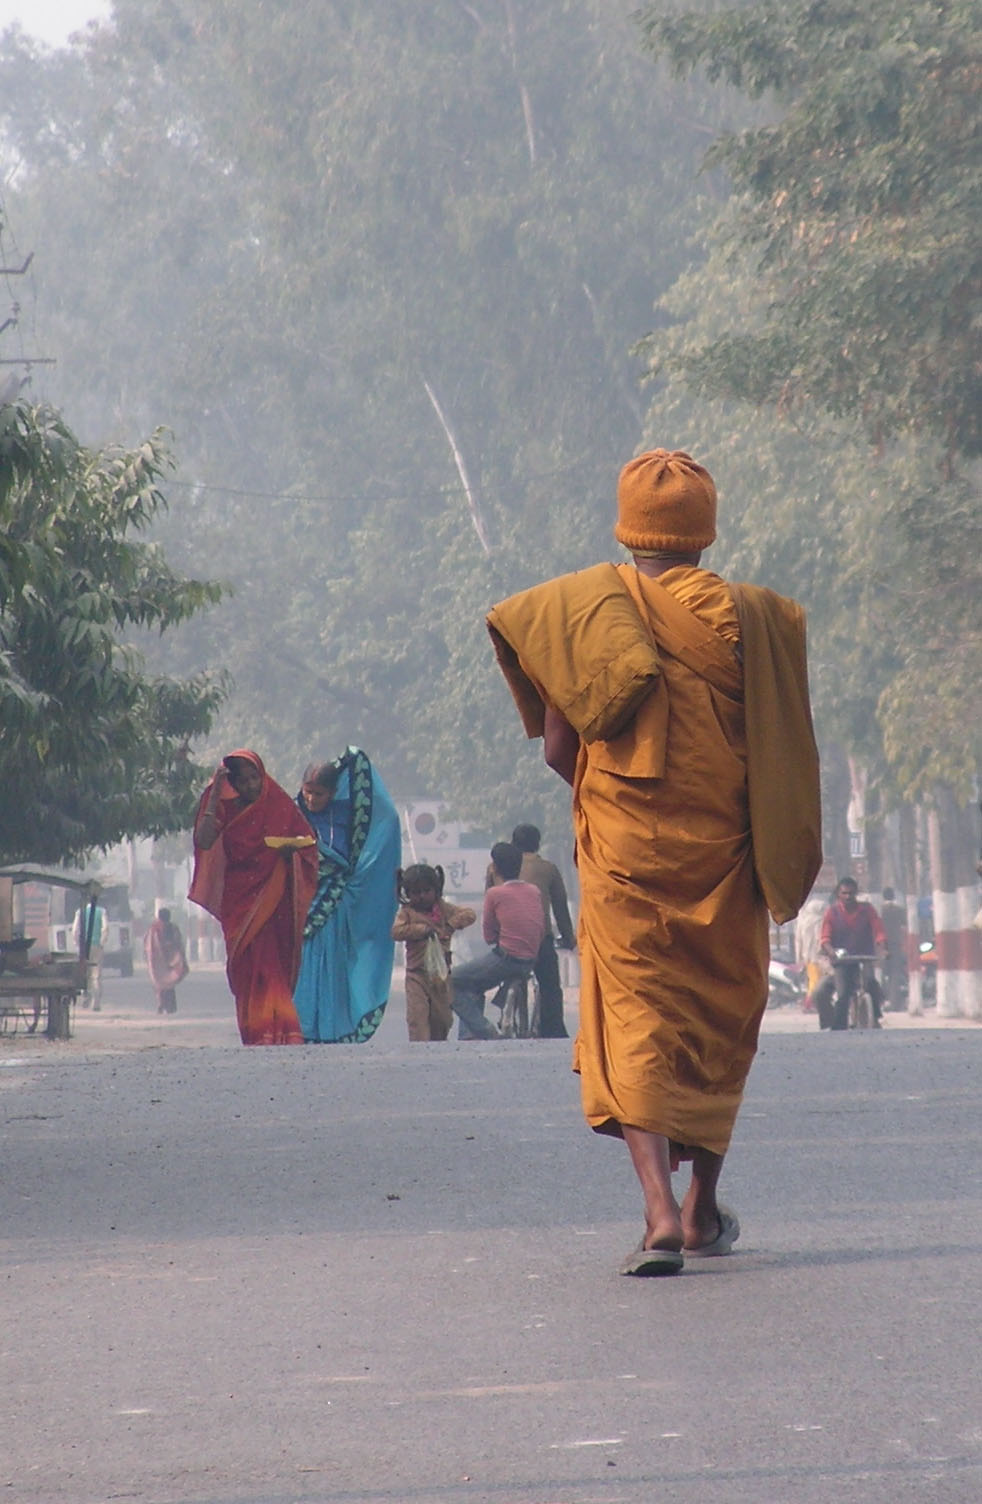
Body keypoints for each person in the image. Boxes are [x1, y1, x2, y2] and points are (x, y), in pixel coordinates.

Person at [487, 448, 821, 1275]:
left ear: (626, 529)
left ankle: (661, 1214)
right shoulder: (756, 623)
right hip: (725, 852)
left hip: (628, 852)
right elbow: (779, 752)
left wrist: (614, 795)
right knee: (718, 1018)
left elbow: (560, 747)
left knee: (636, 1017)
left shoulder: (588, 616)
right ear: (705, 535)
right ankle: (704, 1203)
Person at [189, 749, 318, 1046]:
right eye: (242, 781)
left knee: (271, 966)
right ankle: (255, 1031)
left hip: (274, 897)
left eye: (254, 778)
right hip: (240, 899)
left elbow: (308, 847)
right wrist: (215, 792)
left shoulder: (278, 803)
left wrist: (290, 855)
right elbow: (204, 840)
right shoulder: (225, 806)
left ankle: (283, 1031)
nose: (250, 786)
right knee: (248, 969)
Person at [292, 749, 401, 1042]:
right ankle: (299, 1027)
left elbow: (386, 818)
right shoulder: (290, 813)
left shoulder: (346, 814)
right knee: (301, 965)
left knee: (331, 963)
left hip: (334, 902)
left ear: (333, 792)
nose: (312, 799)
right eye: (308, 791)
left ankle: (329, 1028)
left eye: (320, 793)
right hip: (299, 902)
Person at [450, 841, 546, 1040]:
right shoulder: (534, 891)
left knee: (451, 982)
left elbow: (489, 937)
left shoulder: (495, 894)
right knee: (473, 981)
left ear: (494, 867)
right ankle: (470, 1033)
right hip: (531, 960)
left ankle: (484, 1030)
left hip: (507, 959)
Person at [492, 824, 575, 1038]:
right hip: (539, 939)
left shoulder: (496, 868)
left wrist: (494, 937)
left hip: (507, 941)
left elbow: (489, 902)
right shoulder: (548, 868)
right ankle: (553, 1029)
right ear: (538, 844)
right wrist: (568, 938)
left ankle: (503, 1012)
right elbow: (560, 907)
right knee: (550, 986)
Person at [392, 864, 476, 1041]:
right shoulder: (407, 913)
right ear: (407, 893)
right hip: (416, 975)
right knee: (418, 1017)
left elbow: (469, 914)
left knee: (442, 1020)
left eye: (426, 891)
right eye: (416, 892)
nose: (422, 896)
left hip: (441, 976)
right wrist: (421, 930)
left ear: (436, 890)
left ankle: (436, 1052)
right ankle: (419, 1052)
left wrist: (451, 925)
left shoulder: (444, 909)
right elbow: (396, 932)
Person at [814, 876, 887, 1030]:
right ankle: (838, 1026)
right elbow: (825, 938)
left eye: (851, 894)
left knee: (870, 983)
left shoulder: (867, 910)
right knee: (843, 994)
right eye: (844, 893)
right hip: (842, 961)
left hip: (864, 957)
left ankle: (876, 1015)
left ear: (856, 894)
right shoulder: (832, 913)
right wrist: (831, 951)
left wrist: (883, 947)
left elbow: (878, 930)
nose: (848, 897)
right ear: (838, 894)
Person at [144, 906, 189, 1015]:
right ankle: (170, 1007)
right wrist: (181, 958)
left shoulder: (153, 929)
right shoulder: (173, 928)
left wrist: (147, 958)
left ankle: (161, 1004)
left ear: (159, 917)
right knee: (170, 984)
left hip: (158, 962)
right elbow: (179, 943)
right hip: (172, 960)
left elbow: (148, 945)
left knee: (159, 984)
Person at [72, 892, 107, 1011]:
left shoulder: (79, 912)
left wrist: (77, 944)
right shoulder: (102, 911)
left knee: (84, 974)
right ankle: (96, 1003)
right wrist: (101, 943)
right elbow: (105, 928)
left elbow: (75, 930)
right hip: (96, 946)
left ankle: (85, 997)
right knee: (96, 975)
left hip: (83, 948)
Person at [880, 886, 908, 1011]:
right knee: (895, 973)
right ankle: (894, 1003)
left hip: (881, 945)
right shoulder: (899, 910)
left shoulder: (879, 910)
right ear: (893, 896)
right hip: (895, 944)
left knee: (881, 972)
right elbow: (905, 924)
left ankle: (881, 1000)